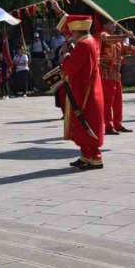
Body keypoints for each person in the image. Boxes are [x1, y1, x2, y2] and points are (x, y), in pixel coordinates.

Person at [53, 10, 105, 170]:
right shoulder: (89, 41)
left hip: (85, 92)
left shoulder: (83, 45)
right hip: (87, 89)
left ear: (78, 31)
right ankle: (86, 155)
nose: (71, 35)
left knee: (86, 122)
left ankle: (95, 157)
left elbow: (71, 67)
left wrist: (65, 54)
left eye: (73, 33)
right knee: (83, 123)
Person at [98, 21, 135, 135]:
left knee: (118, 102)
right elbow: (108, 40)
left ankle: (118, 124)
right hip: (105, 74)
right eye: (110, 23)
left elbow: (129, 48)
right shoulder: (103, 36)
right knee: (108, 101)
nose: (113, 25)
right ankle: (108, 126)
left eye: (114, 24)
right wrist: (125, 36)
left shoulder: (118, 42)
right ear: (104, 25)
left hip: (116, 74)